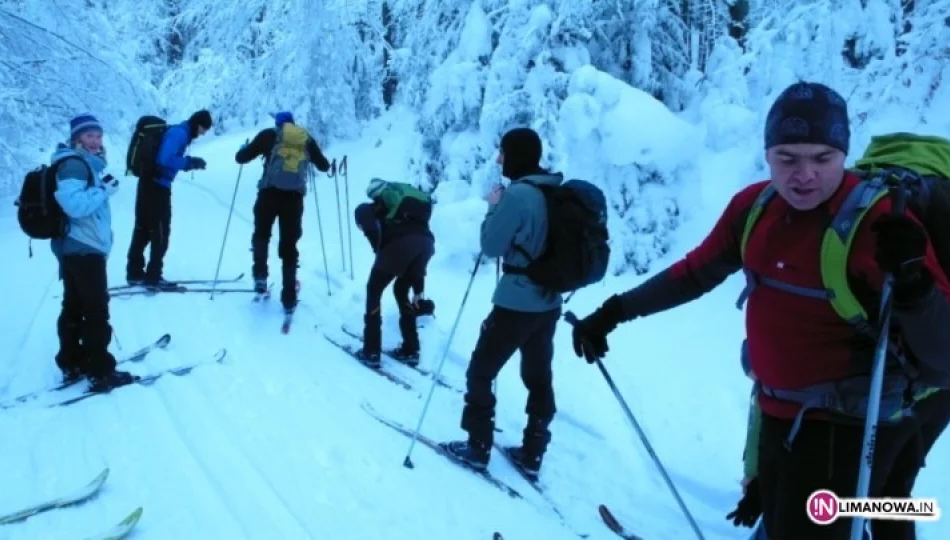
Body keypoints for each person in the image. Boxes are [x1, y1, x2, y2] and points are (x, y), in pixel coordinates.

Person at [570, 81, 950, 538]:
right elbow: (694, 273)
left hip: (850, 424)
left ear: (843, 154)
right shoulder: (754, 207)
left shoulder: (880, 222)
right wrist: (614, 311)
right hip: (780, 414)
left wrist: (914, 286)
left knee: (843, 517)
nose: (803, 174)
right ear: (768, 154)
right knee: (853, 512)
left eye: (821, 158)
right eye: (787, 157)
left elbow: (944, 354)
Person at [441, 127, 563, 480]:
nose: (498, 159)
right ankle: (532, 451)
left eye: (503, 152)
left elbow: (491, 245)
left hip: (517, 301)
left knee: (480, 370)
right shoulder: (553, 189)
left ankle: (478, 447)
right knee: (538, 376)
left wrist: (493, 209)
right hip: (548, 301)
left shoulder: (518, 195)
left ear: (516, 154)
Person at [52, 114, 135, 391]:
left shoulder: (84, 164)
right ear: (77, 138)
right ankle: (100, 371)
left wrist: (101, 186)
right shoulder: (74, 165)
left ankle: (72, 362)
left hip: (79, 247)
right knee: (96, 310)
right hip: (84, 247)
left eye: (98, 136)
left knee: (74, 307)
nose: (95, 141)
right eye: (89, 136)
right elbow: (73, 205)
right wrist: (104, 191)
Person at [235, 111, 331, 313]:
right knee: (289, 245)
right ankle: (289, 297)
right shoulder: (305, 139)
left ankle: (260, 277)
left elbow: (241, 158)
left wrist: (245, 148)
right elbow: (324, 166)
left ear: (278, 124)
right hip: (293, 200)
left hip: (268, 194)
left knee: (261, 235)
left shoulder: (268, 136)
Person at [353, 177, 436, 366]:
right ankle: (411, 349)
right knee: (401, 290)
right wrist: (418, 292)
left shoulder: (368, 209)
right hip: (427, 243)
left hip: (401, 245)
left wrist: (379, 250)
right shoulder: (408, 214)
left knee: (374, 290)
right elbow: (417, 266)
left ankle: (371, 351)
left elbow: (368, 225)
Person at [126, 109, 212, 290]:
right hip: (157, 187)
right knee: (160, 232)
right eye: (203, 130)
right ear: (197, 124)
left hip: (148, 183)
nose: (201, 135)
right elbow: (164, 159)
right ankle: (153, 277)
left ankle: (134, 273)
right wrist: (190, 162)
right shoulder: (180, 133)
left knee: (142, 228)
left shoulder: (177, 132)